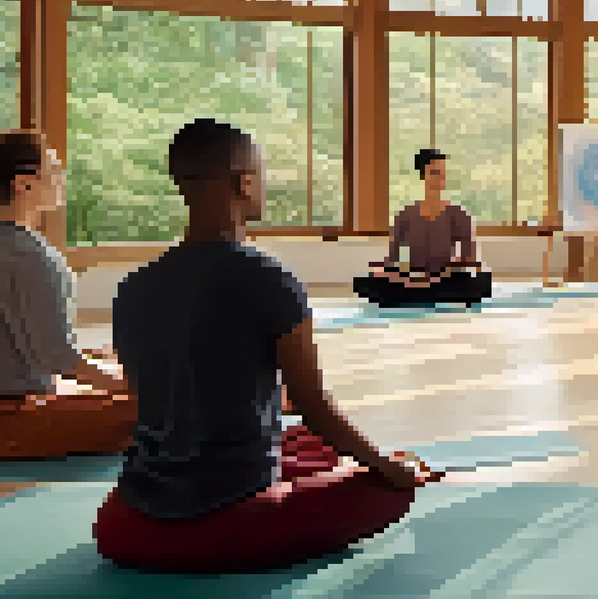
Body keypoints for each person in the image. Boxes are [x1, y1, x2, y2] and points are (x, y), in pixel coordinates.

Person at [94, 119, 437, 574]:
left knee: (310, 446)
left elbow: (157, 401)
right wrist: (387, 468)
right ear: (243, 182)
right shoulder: (267, 277)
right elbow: (315, 408)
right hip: (229, 507)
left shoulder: (131, 288)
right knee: (391, 483)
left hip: (136, 510)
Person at [0, 130, 137, 459]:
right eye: (54, 168)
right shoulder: (29, 255)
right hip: (14, 422)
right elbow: (58, 359)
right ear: (24, 183)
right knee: (177, 403)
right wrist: (138, 385)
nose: (61, 177)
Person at [355, 148, 490, 307]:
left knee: (479, 282)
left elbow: (470, 258)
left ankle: (421, 293)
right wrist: (390, 272)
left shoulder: (459, 214)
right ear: (422, 175)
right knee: (367, 281)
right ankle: (418, 292)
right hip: (412, 279)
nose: (439, 179)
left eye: (442, 174)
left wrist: (442, 274)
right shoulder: (405, 215)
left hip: (446, 279)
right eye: (434, 173)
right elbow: (393, 258)